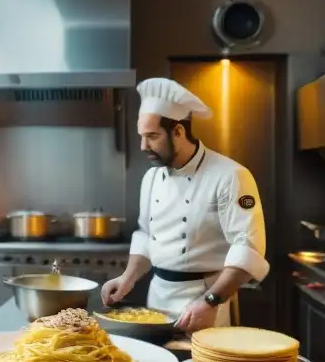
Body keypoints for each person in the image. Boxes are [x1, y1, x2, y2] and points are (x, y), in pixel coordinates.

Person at [101, 77, 269, 331]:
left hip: (208, 302)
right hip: (157, 299)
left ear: (178, 131)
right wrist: (127, 278)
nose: (143, 146)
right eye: (141, 136)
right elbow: (147, 236)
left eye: (152, 136)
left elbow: (248, 250)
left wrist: (210, 301)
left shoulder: (229, 175)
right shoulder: (152, 176)